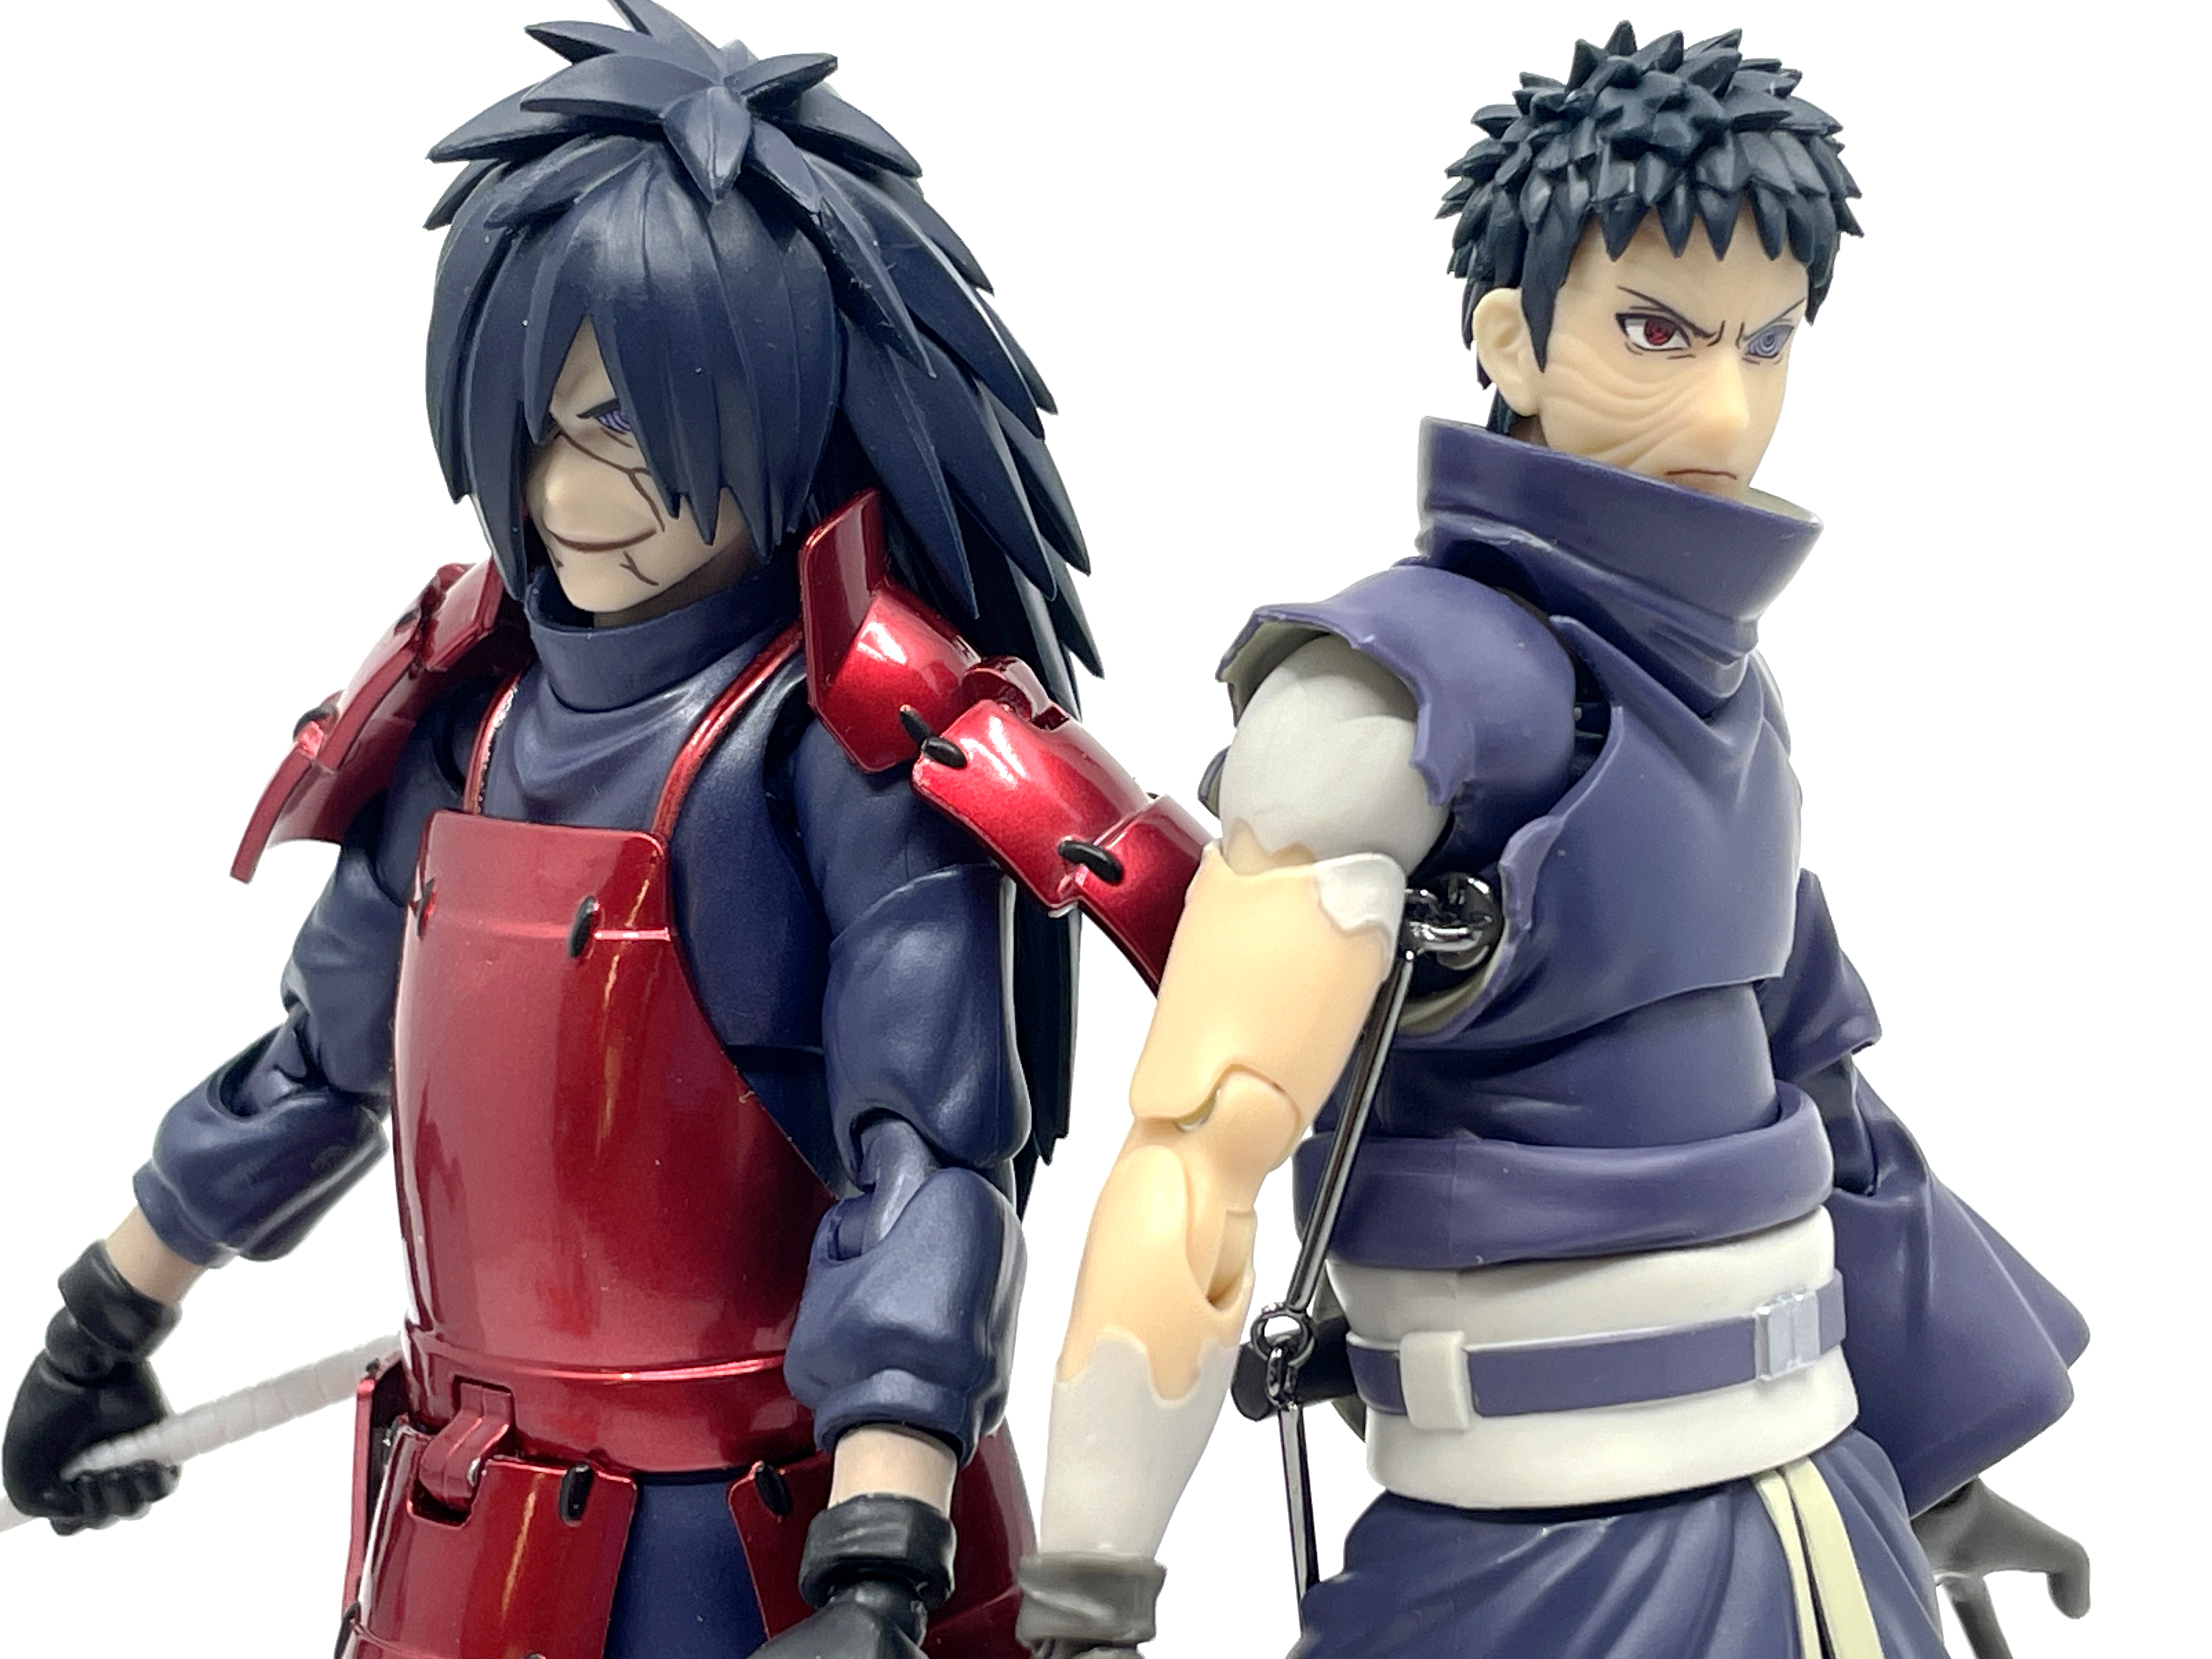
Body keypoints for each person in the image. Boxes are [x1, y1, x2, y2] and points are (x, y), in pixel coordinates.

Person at [0, 4, 1165, 1656]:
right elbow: (326, 1062)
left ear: (783, 413)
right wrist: (107, 1315)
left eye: (628, 429)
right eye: (540, 425)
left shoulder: (837, 749)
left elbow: (925, 1161)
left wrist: (882, 1553)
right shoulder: (465, 716)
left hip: (759, 1538)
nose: (565, 496)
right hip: (474, 1535)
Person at [1014, 24, 2090, 1659]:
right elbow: (1200, 1150)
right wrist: (1094, 1583)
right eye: (1658, 331)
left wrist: (1936, 1465)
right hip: (1534, 1551)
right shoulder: (1386, 701)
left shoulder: (1733, 705)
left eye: (1770, 343)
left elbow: (1818, 1089)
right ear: (1511, 337)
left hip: (1819, 1511)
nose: (1726, 409)